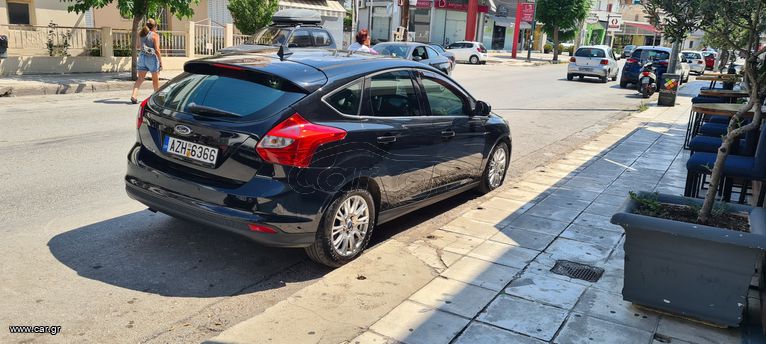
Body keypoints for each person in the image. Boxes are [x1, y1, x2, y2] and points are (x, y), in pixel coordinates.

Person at [130, 18, 162, 104]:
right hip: (152, 58)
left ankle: (134, 96)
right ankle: (156, 98)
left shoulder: (140, 34)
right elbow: (157, 50)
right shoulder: (155, 35)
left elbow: (137, 46)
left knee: (140, 79)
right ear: (154, 26)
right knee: (155, 80)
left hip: (142, 57)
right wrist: (160, 61)